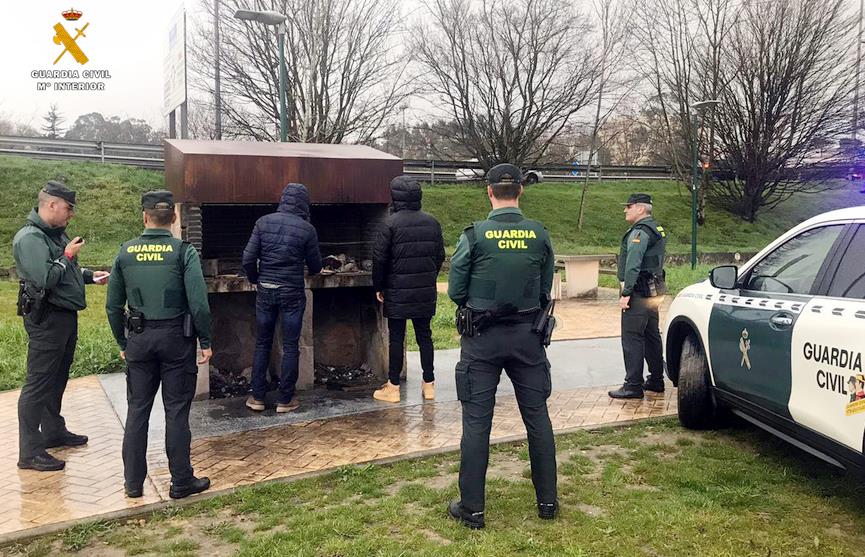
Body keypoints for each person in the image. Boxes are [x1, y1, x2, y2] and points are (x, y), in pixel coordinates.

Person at [446, 164, 558, 529]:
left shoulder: (475, 236)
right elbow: (544, 289)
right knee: (538, 419)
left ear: (489, 192)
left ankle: (473, 510)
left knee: (477, 425)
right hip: (528, 337)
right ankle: (548, 504)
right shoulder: (540, 234)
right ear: (521, 191)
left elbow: (455, 291)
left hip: (482, 340)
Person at [106, 190, 213, 499]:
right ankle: (181, 482)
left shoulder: (125, 252)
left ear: (144, 216)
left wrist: (122, 341)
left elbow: (113, 306)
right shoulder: (183, 252)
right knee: (176, 411)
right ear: (175, 218)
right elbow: (199, 303)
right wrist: (205, 340)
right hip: (176, 341)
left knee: (137, 410)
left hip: (138, 340)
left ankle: (133, 484)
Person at [13, 180, 109, 472]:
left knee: (57, 379)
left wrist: (90, 275)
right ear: (51, 204)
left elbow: (65, 271)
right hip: (47, 319)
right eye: (68, 208)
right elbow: (46, 278)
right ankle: (29, 451)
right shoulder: (30, 238)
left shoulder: (52, 235)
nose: (71, 214)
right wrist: (67, 255)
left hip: (64, 317)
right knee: (38, 383)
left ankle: (53, 431)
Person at [241, 183, 322, 413]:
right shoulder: (307, 229)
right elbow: (316, 266)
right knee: (290, 344)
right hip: (292, 292)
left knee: (263, 342)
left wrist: (255, 278)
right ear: (304, 203)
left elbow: (248, 257)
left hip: (265, 289)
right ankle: (285, 400)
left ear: (283, 199)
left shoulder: (263, 222)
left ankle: (257, 397)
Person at [372, 175, 445, 403]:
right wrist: (428, 277)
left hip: (397, 290)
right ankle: (429, 384)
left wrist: (379, 286)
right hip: (424, 290)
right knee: (425, 337)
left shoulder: (389, 223)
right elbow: (440, 256)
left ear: (395, 197)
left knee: (396, 337)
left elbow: (379, 259)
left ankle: (393, 387)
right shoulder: (432, 222)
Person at [609, 193, 667, 400]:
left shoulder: (640, 233)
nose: (625, 209)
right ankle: (657, 380)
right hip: (653, 291)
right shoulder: (655, 228)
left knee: (632, 337)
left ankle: (633, 385)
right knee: (652, 334)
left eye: (629, 206)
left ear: (640, 209)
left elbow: (633, 263)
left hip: (639, 291)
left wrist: (626, 293)